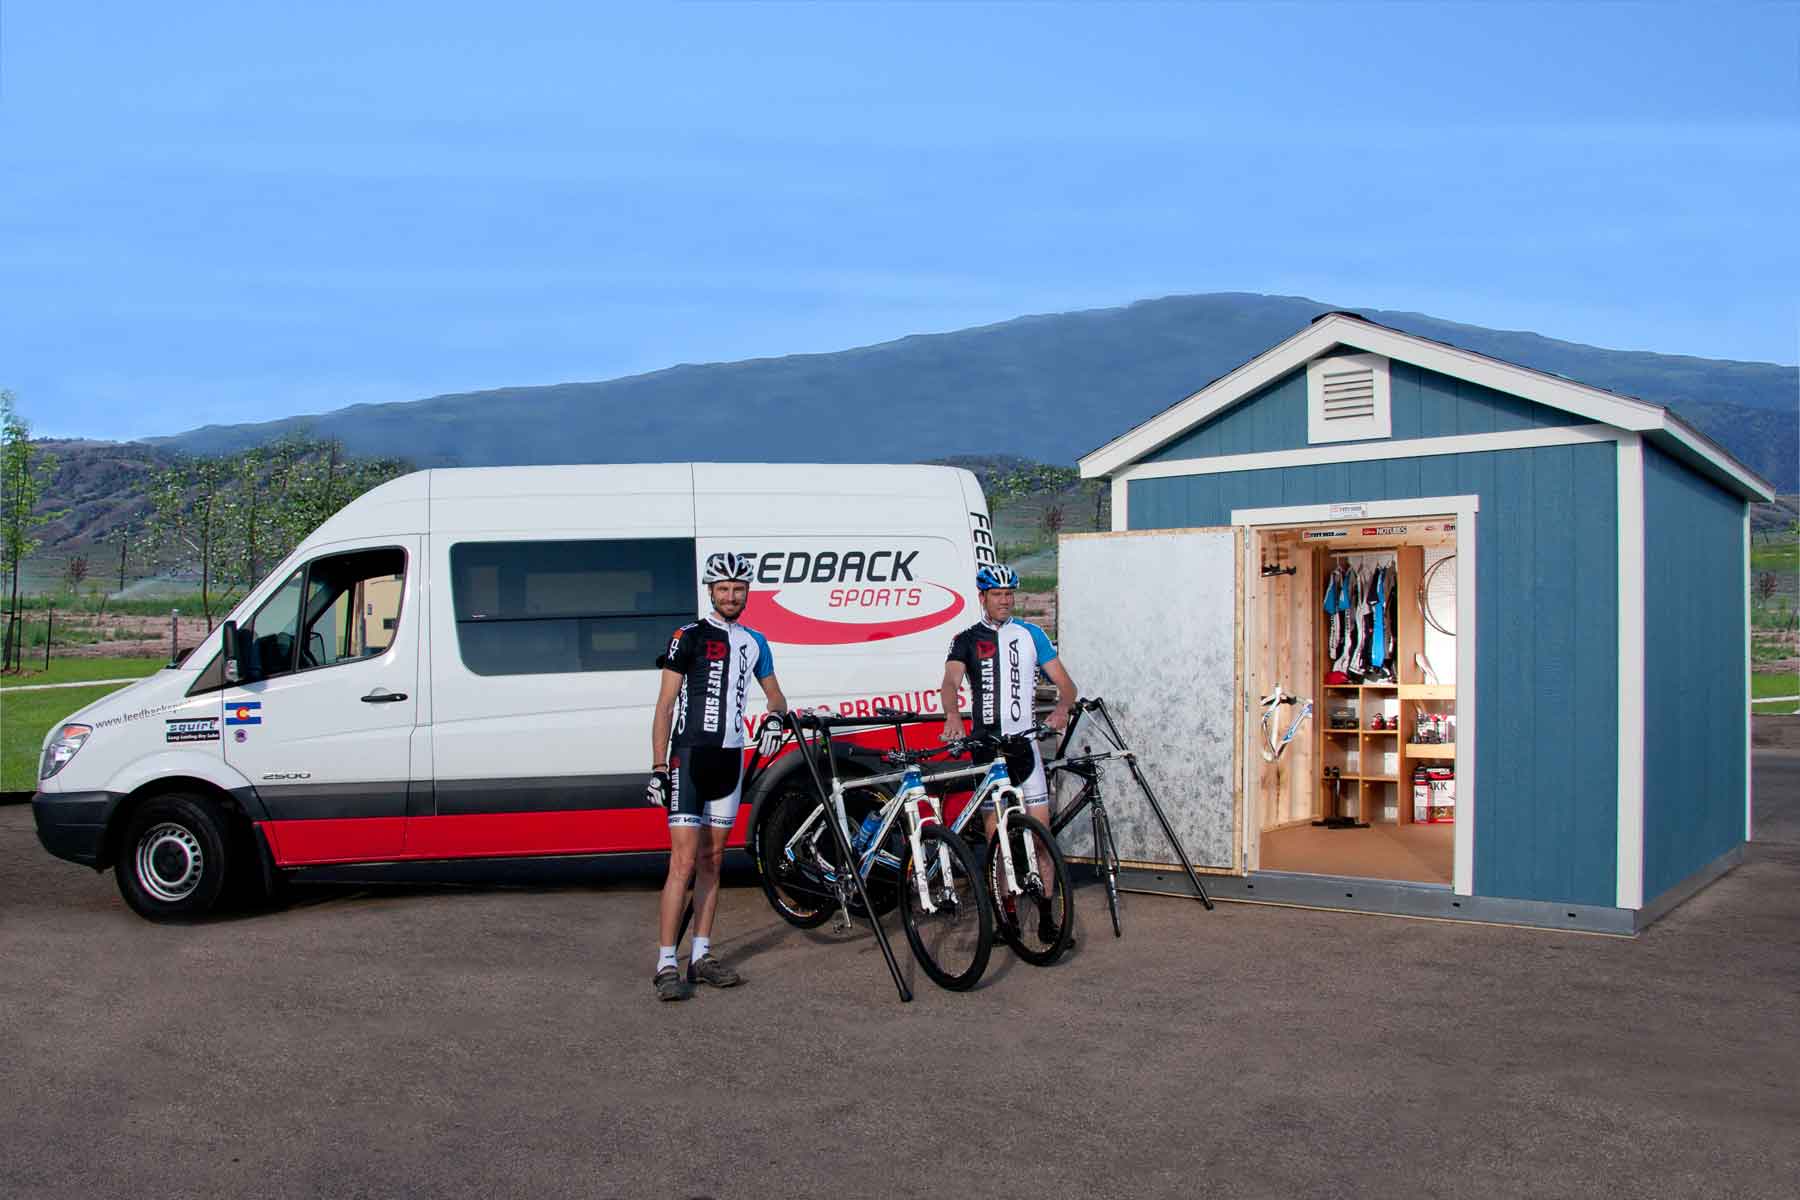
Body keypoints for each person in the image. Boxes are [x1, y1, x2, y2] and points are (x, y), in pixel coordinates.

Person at [646, 552, 787, 1002]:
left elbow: (776, 695)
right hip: (689, 759)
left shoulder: (755, 641)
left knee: (714, 861)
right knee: (682, 864)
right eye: (723, 589)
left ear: (747, 593)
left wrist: (776, 719)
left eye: (738, 589)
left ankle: (700, 956)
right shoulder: (687, 636)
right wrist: (656, 767)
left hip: (731, 760)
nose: (731, 596)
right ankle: (667, 962)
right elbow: (665, 705)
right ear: (711, 591)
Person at [938, 564, 1078, 938]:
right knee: (996, 837)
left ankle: (1048, 915)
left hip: (1024, 746)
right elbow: (950, 683)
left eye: (1009, 594)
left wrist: (1063, 707)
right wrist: (952, 714)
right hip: (987, 749)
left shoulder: (1031, 634)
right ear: (982, 598)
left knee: (1041, 836)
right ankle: (1009, 918)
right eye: (997, 594)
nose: (1005, 600)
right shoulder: (966, 639)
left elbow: (1066, 684)